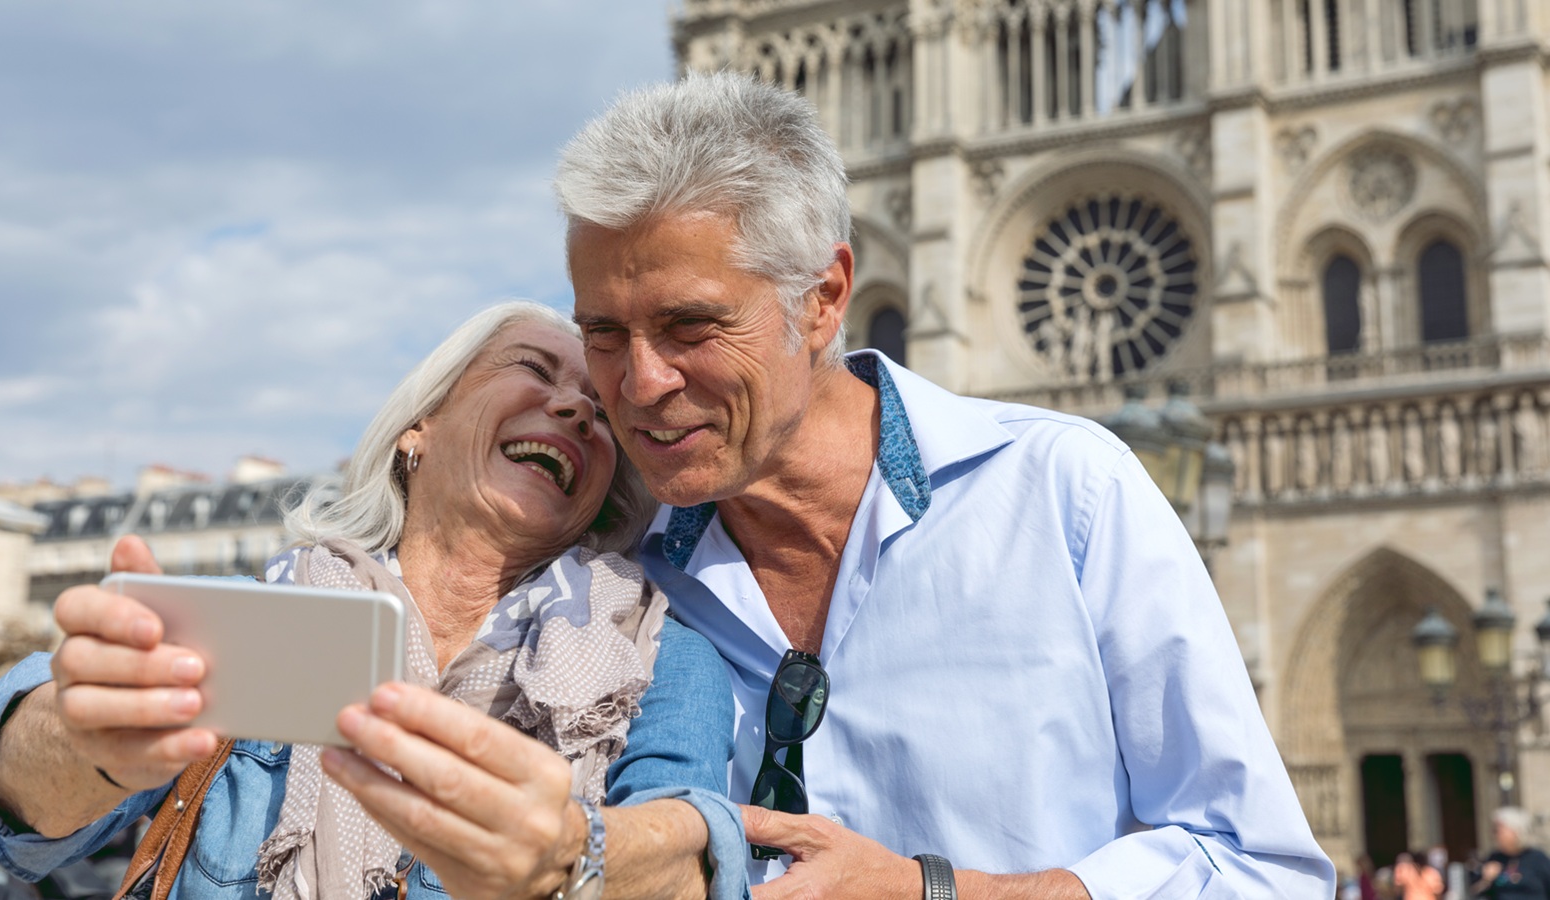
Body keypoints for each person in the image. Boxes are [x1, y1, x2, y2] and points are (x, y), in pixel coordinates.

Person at [554, 70, 1337, 897]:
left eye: (691, 327)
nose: (640, 383)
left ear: (822, 298)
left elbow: (1265, 872)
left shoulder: (1066, 495)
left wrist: (938, 892)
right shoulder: (622, 574)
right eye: (603, 334)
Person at [0, 302, 746, 900]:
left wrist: (577, 852)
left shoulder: (664, 656)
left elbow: (690, 852)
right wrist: (87, 741)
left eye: (602, 413)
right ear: (419, 426)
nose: (575, 407)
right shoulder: (260, 614)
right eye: (536, 372)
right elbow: (8, 815)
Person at [1475, 807, 1550, 898]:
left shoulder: (1537, 858)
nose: (1494, 835)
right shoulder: (1495, 858)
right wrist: (1486, 880)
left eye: (1498, 830)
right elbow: (1476, 893)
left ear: (1516, 831)